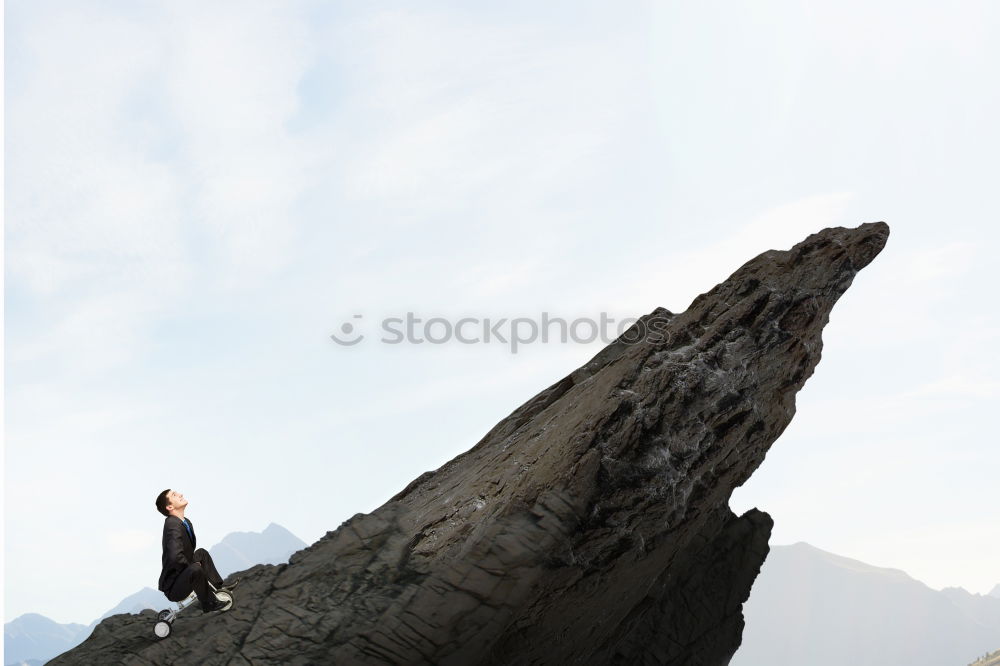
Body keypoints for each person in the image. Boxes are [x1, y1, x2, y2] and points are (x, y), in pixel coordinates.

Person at [155, 489, 238, 613]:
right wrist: (191, 566)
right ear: (170, 506)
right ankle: (208, 603)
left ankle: (219, 588)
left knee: (201, 554)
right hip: (175, 587)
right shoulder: (172, 525)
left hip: (184, 573)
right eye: (174, 495)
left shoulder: (185, 522)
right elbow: (174, 556)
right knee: (195, 569)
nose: (180, 494)